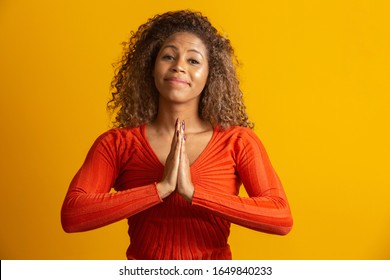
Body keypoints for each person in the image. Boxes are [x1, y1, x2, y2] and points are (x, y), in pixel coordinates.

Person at [61, 10, 293, 260]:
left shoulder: (237, 141)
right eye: (169, 56)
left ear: (209, 75)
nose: (179, 66)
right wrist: (160, 189)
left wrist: (194, 193)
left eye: (193, 61)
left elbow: (281, 218)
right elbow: (73, 215)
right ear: (150, 67)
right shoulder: (116, 144)